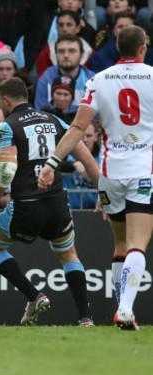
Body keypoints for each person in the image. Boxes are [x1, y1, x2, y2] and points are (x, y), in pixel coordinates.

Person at [38, 25, 153, 331]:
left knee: (119, 244)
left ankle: (121, 307)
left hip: (110, 173)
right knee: (137, 244)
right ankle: (126, 310)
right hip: (144, 170)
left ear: (118, 48)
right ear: (143, 48)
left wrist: (52, 162)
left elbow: (77, 128)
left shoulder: (98, 80)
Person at [0, 77, 100, 327]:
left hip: (26, 207)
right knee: (68, 255)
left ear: (6, 100)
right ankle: (86, 318)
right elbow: (87, 160)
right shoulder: (54, 120)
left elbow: (6, 170)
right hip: (57, 204)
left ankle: (34, 296)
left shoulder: (6, 126)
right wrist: (104, 194)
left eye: (0, 101)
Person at [35, 35, 95, 112]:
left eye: (71, 51)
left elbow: (97, 117)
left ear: (81, 55)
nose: (66, 55)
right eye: (61, 51)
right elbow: (40, 114)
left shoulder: (93, 81)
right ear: (56, 55)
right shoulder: (45, 79)